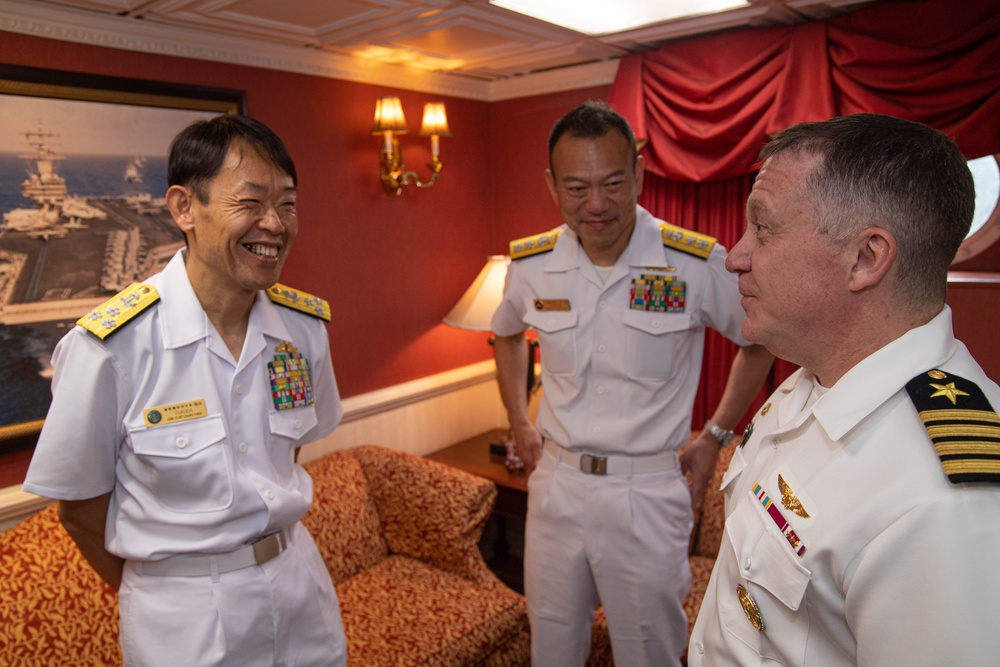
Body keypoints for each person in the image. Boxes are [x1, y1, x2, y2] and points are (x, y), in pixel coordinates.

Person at [22, 114, 347, 667]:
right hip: (186, 617)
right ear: (183, 208)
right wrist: (166, 588)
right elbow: (78, 510)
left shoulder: (303, 328)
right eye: (250, 203)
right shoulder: (110, 347)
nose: (274, 224)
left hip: (300, 586)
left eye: (288, 204)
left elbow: (286, 454)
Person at [689, 113, 1000, 665]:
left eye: (762, 227)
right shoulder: (809, 376)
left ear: (865, 259)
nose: (735, 256)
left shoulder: (945, 501)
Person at [491, 100, 774, 666]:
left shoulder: (691, 262)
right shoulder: (532, 264)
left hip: (645, 493)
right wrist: (520, 420)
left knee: (649, 653)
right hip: (557, 487)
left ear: (640, 173)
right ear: (552, 186)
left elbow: (760, 339)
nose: (596, 204)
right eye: (576, 188)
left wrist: (714, 435)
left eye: (614, 182)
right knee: (550, 646)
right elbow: (504, 335)